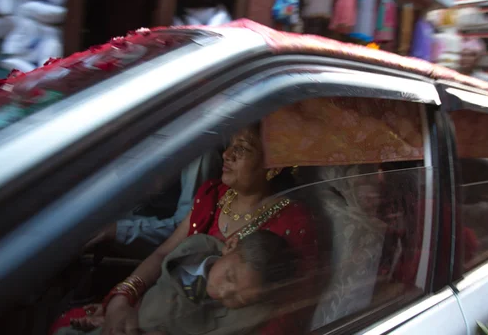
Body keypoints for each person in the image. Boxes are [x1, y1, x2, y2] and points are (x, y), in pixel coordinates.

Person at [55, 123, 318, 335]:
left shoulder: (294, 223)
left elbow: (285, 316)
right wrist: (122, 300)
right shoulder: (214, 195)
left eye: (243, 148)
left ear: (273, 165)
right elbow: (163, 255)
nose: (227, 155)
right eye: (230, 145)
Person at [53, 231, 297, 335]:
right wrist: (121, 305)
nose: (223, 293)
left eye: (240, 299)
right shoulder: (196, 247)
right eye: (230, 277)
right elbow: (159, 269)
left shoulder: (246, 319)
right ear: (230, 245)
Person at [86, 150, 223, 257]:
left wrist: (119, 229)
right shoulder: (142, 143)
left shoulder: (199, 156)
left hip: (160, 247)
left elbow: (184, 228)